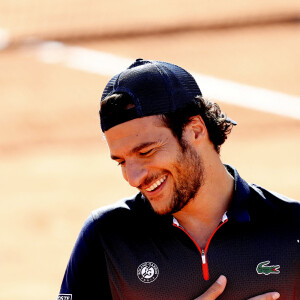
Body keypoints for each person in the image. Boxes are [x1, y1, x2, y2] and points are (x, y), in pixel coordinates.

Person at [58, 59, 300, 300]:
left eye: (146, 152)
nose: (133, 177)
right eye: (121, 161)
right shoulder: (106, 237)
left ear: (195, 129)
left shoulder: (293, 227)